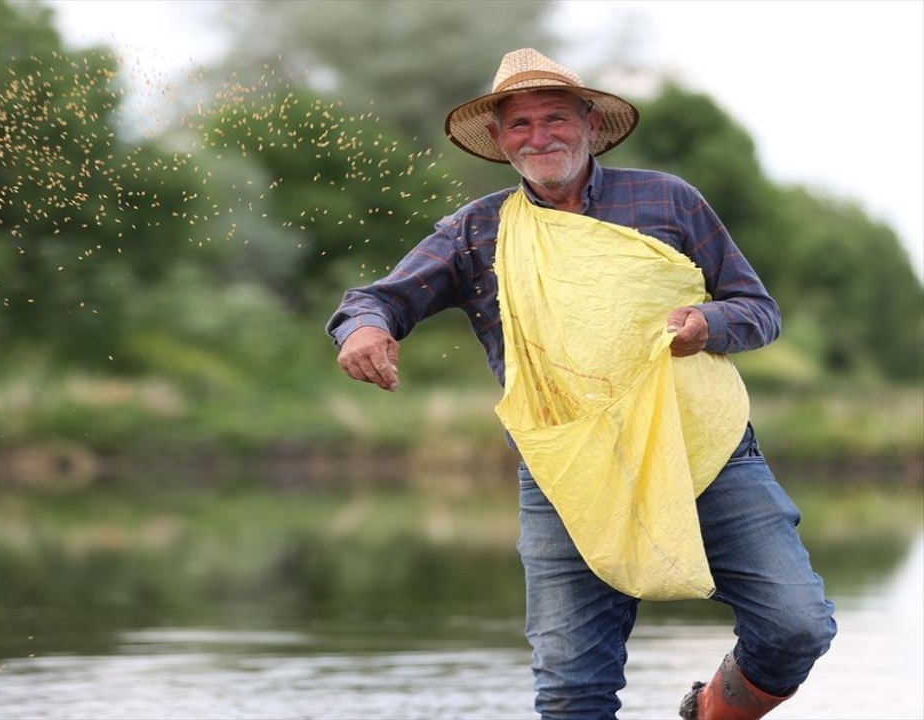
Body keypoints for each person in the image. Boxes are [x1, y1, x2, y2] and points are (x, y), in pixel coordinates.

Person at [325, 48, 836, 719]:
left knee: (797, 624)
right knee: (571, 691)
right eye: (520, 124)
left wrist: (707, 324)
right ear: (500, 141)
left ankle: (711, 711)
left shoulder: (669, 199)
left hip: (704, 452)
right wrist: (364, 330)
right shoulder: (478, 230)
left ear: (591, 124)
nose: (539, 137)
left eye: (555, 118)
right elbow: (377, 299)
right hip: (567, 470)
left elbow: (759, 311)